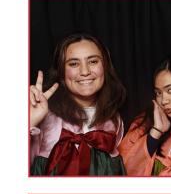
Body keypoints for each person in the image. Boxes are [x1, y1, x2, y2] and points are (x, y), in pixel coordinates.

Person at [30, 33, 126, 175]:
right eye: (74, 64)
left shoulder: (115, 120)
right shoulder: (43, 115)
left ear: (105, 67)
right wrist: (29, 122)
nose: (85, 71)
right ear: (61, 72)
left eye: (93, 61)